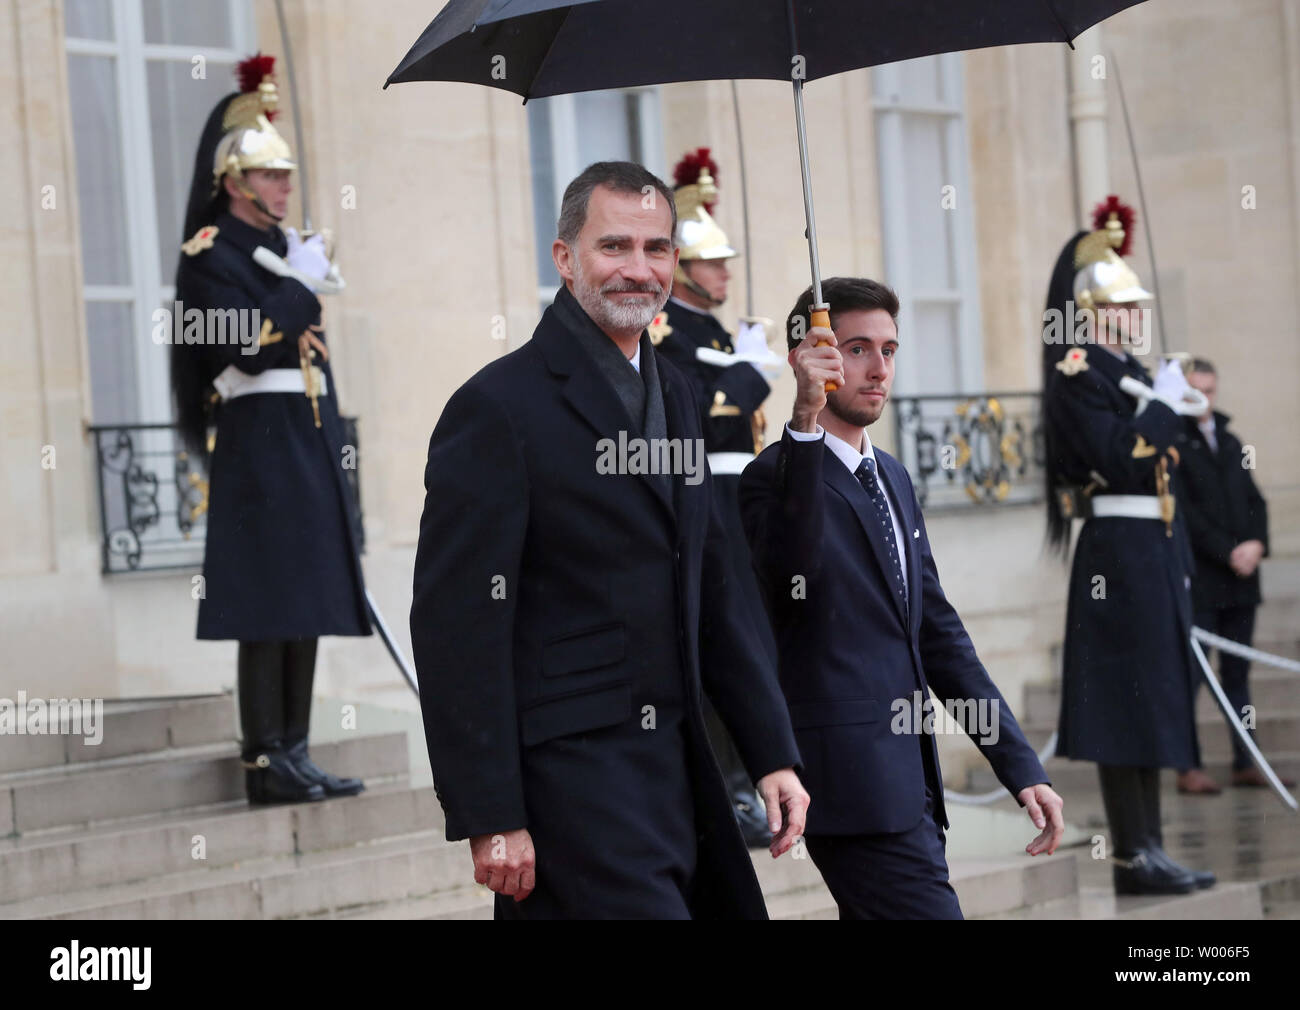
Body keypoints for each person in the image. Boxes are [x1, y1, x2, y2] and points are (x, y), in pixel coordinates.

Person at [409, 161, 808, 920]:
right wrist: (491, 812)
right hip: (571, 778)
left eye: (657, 249)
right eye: (614, 246)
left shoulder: (683, 395)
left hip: (683, 771)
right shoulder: (495, 408)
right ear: (565, 259)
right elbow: (458, 627)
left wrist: (771, 750)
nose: (638, 269)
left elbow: (717, 586)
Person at [739, 276, 1063, 920]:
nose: (878, 368)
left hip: (912, 785)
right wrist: (803, 423)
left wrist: (1020, 765)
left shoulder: (890, 475)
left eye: (889, 350)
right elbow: (790, 579)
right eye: (856, 348)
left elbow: (938, 635)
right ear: (811, 357)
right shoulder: (770, 477)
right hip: (845, 785)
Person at [170, 54, 367, 806]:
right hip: (257, 436)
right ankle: (264, 757)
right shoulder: (209, 257)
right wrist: (295, 286)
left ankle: (298, 748)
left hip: (304, 428)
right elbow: (242, 344)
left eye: (286, 174)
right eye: (271, 175)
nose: (286, 185)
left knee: (307, 593)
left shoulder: (282, 251)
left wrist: (296, 274)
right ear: (234, 181)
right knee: (268, 599)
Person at [1041, 196, 1214, 894]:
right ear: (1091, 312)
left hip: (1154, 544)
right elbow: (1125, 456)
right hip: (1119, 545)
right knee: (1124, 697)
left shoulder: (1126, 371)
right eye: (1122, 305)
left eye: (1136, 304)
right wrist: (1165, 407)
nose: (1134, 315)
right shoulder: (1082, 371)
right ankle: (1133, 854)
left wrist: (1163, 399)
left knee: (1154, 695)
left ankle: (1152, 846)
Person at [653, 148, 785, 847]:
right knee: (715, 649)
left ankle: (751, 780)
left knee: (748, 643)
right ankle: (727, 791)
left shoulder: (715, 331)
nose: (725, 272)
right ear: (683, 269)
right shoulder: (667, 330)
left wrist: (746, 363)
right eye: (713, 263)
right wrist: (752, 375)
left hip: (741, 502)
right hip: (705, 499)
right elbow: (710, 417)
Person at [1175, 360, 1287, 792]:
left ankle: (1247, 758)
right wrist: (1228, 552)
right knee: (1194, 676)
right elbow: (1187, 515)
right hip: (1202, 582)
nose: (1204, 398)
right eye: (1194, 390)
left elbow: (1255, 502)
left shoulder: (1233, 440)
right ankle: (1188, 766)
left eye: (1210, 389)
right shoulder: (1175, 445)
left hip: (1241, 584)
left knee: (1238, 677)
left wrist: (1257, 546)